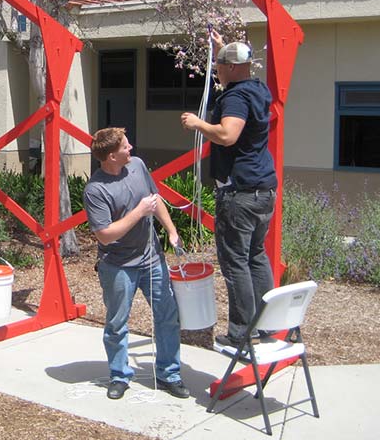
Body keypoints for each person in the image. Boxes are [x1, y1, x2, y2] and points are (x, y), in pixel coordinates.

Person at [180, 31, 277, 350]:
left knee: (236, 261)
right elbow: (233, 73)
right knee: (256, 256)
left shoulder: (234, 97)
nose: (215, 71)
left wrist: (198, 124)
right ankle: (268, 325)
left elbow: (228, 134)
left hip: (240, 193)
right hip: (264, 190)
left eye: (219, 65)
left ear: (231, 69)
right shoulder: (257, 88)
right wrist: (224, 49)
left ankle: (240, 333)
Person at [83, 127, 189, 400]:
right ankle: (119, 376)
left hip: (152, 260)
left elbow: (155, 201)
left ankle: (169, 373)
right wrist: (138, 212)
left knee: (168, 316)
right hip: (118, 265)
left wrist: (171, 230)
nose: (131, 149)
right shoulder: (96, 190)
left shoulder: (138, 166)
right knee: (117, 324)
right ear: (110, 157)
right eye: (125, 147)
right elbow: (105, 235)